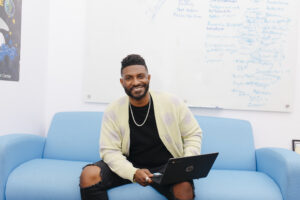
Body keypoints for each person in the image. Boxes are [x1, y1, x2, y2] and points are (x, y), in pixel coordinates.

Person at [79, 54, 202, 200]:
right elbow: (109, 150)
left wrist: (184, 164)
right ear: (122, 82)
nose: (136, 82)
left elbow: (193, 134)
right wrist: (132, 172)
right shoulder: (113, 110)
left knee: (184, 188)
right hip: (128, 165)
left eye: (140, 76)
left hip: (166, 167)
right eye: (129, 78)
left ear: (148, 78)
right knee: (89, 175)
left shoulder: (172, 103)